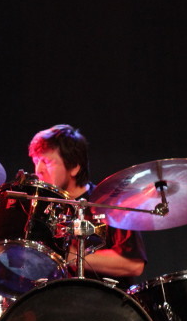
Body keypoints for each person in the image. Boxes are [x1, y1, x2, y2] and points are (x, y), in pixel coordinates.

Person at [28, 123, 145, 288]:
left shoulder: (109, 203)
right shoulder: (38, 207)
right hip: (54, 298)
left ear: (74, 167)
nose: (38, 169)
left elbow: (134, 265)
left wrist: (68, 256)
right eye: (36, 161)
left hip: (103, 300)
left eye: (47, 162)